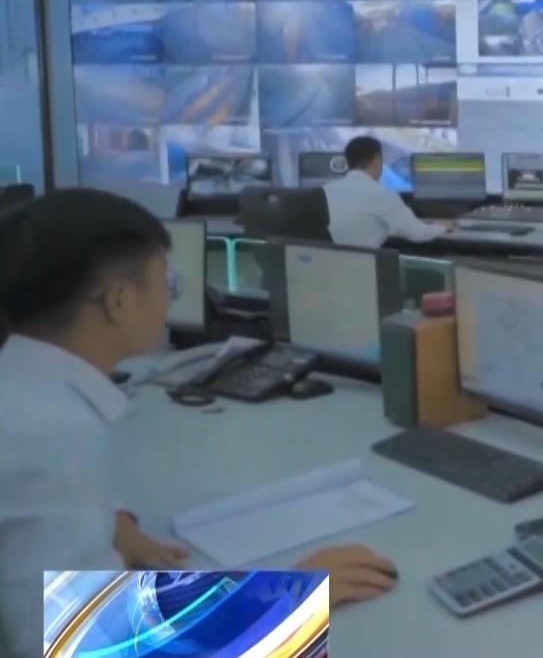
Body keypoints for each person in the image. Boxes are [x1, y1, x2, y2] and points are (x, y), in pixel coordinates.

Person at [0, 189, 398, 658]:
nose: (171, 299)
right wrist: (284, 600)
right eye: (166, 284)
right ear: (119, 301)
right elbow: (81, 646)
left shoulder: (25, 390)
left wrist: (108, 520)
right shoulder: (52, 433)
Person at [324, 135, 451, 248]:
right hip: (367, 264)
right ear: (377, 160)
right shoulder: (381, 193)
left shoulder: (326, 190)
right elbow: (417, 233)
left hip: (330, 262)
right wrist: (444, 226)